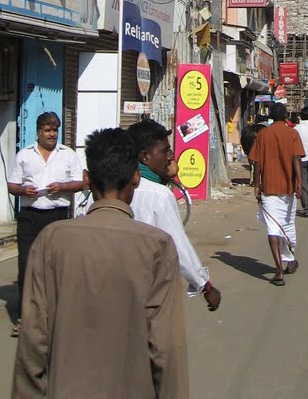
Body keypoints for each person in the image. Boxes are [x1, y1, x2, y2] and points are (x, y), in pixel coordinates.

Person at [12, 127, 188, 399]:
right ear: (136, 178)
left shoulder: (51, 241)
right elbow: (166, 348)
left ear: (87, 179)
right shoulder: (157, 246)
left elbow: (33, 342)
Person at [126, 119, 221, 311]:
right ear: (145, 157)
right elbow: (178, 245)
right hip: (150, 292)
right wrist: (205, 285)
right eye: (165, 151)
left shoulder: (119, 186)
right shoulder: (160, 195)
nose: (171, 156)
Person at [6, 111, 84, 335]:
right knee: (27, 266)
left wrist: (63, 187)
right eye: (48, 130)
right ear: (38, 132)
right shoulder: (24, 155)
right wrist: (23, 190)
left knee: (57, 267)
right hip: (30, 216)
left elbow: (79, 183)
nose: (52, 134)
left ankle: (55, 317)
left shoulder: (68, 155)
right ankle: (25, 319)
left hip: (57, 216)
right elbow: (12, 185)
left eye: (55, 130)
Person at [249, 102, 304, 286]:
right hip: (288, 188)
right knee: (288, 227)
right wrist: (298, 181)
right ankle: (287, 261)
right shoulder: (292, 134)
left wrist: (256, 185)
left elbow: (257, 162)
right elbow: (296, 159)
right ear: (286, 116)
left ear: (271, 116)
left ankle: (280, 270)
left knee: (273, 228)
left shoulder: (263, 135)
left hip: (269, 188)